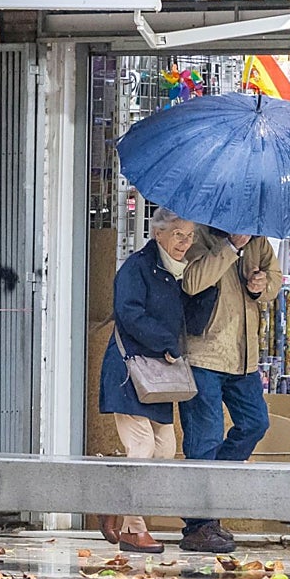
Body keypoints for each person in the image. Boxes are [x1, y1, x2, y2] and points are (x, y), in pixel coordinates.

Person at [97, 209, 199, 554]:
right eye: (179, 234)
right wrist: (166, 343)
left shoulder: (177, 273)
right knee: (141, 448)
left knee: (165, 450)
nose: (185, 242)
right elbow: (129, 313)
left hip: (158, 379)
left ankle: (114, 502)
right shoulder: (137, 267)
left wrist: (207, 290)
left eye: (190, 236)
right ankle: (133, 530)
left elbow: (190, 319)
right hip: (130, 372)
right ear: (159, 234)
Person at [177, 226, 283, 553]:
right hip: (204, 355)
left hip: (244, 359)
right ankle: (199, 525)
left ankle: (210, 503)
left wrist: (261, 286)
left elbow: (275, 280)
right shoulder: (197, 236)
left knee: (255, 423)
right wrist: (230, 248)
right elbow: (192, 282)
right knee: (205, 439)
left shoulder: (258, 240)